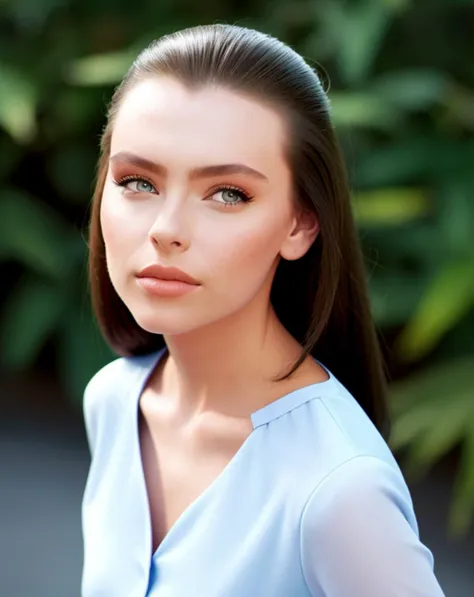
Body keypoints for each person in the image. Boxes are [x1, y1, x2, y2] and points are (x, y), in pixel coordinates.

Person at [81, 23, 446, 597]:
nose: (166, 230)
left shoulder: (339, 493)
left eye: (228, 193)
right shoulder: (113, 402)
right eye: (137, 182)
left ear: (300, 223)